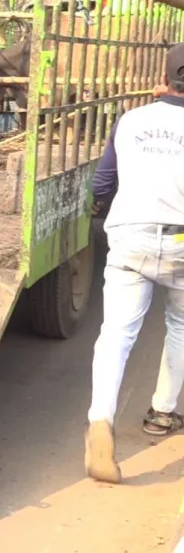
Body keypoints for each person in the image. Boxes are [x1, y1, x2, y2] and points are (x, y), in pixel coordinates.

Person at [85, 42, 184, 484]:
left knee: (116, 334)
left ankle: (99, 422)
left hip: (131, 235)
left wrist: (104, 208)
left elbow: (103, 182)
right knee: (180, 326)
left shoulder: (131, 120)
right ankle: (162, 413)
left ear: (164, 78)